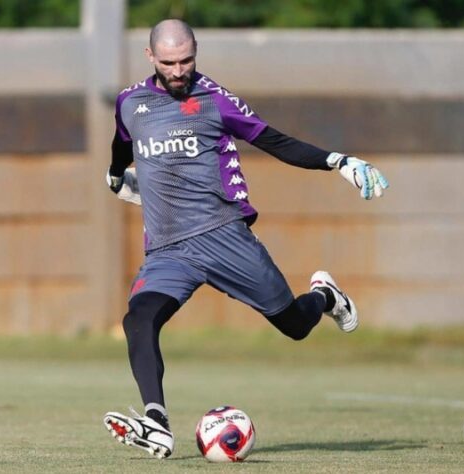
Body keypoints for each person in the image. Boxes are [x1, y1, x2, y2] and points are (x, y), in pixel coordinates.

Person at [102, 19, 388, 459]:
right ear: (150, 57)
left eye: (187, 61)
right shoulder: (129, 103)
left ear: (196, 52)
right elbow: (124, 142)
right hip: (168, 249)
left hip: (224, 237)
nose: (179, 71)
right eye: (169, 63)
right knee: (138, 319)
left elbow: (274, 141)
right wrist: (116, 174)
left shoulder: (214, 100)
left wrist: (338, 161)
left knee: (294, 325)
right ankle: (156, 421)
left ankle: (325, 297)